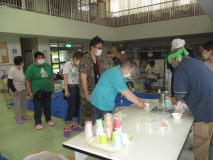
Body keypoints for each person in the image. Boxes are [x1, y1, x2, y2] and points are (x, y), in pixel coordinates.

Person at [167, 48, 213, 160]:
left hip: (205, 110)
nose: (172, 65)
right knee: (210, 144)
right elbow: (197, 84)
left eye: (171, 62)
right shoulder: (196, 62)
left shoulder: (180, 68)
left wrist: (175, 99)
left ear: (174, 59)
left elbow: (180, 93)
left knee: (201, 145)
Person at [79, 36, 105, 128]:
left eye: (101, 48)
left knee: (97, 115)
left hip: (97, 92)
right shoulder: (85, 59)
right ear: (92, 48)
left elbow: (103, 75)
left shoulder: (100, 60)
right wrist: (87, 94)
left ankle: (95, 133)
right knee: (88, 116)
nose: (100, 50)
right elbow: (83, 78)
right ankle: (86, 134)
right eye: (99, 48)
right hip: (88, 92)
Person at [25, 52, 55, 130]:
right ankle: (38, 122)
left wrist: (53, 87)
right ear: (35, 59)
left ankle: (48, 119)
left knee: (47, 106)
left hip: (48, 89)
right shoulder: (31, 68)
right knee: (38, 107)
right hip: (37, 90)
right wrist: (30, 92)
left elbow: (51, 78)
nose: (41, 59)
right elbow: (27, 81)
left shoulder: (47, 66)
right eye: (39, 57)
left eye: (42, 57)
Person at [168, 38, 198, 104]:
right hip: (193, 81)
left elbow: (179, 93)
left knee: (180, 93)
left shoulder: (180, 66)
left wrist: (176, 98)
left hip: (188, 79)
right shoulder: (193, 59)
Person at [63, 51, 84, 137]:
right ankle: (66, 127)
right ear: (75, 58)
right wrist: (66, 90)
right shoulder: (68, 64)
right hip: (70, 87)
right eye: (79, 59)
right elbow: (65, 78)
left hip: (78, 87)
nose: (79, 61)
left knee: (76, 107)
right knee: (71, 108)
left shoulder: (79, 66)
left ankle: (74, 124)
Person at [7, 56, 31, 124]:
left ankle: (23, 115)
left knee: (24, 103)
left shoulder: (20, 68)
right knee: (17, 104)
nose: (23, 63)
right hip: (16, 90)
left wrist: (25, 87)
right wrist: (14, 90)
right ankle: (18, 118)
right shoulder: (12, 70)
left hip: (22, 88)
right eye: (22, 61)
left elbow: (22, 79)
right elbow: (9, 82)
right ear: (20, 62)